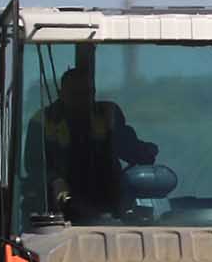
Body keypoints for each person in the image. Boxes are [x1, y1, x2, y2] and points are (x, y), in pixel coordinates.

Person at [21, 64, 158, 221]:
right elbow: (35, 164)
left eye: (88, 93)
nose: (83, 99)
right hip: (57, 211)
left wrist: (144, 152)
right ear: (61, 94)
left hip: (107, 204)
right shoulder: (43, 121)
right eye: (75, 94)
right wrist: (55, 181)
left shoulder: (107, 115)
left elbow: (127, 147)